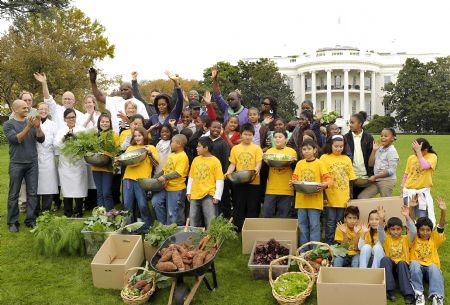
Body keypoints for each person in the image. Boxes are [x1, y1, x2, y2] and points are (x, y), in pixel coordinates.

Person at [4, 100, 45, 232]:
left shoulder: (32, 122)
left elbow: (41, 139)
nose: (27, 109)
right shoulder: (8, 124)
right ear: (14, 109)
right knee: (14, 194)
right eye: (23, 107)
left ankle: (31, 220)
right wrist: (29, 126)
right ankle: (12, 222)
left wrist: (38, 127)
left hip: (32, 163)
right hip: (16, 163)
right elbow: (17, 139)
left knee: (32, 193)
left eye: (27, 107)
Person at [290, 139, 332, 249]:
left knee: (314, 226)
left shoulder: (319, 163)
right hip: (301, 201)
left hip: (315, 201)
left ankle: (315, 250)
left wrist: (324, 185)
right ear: (301, 151)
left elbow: (329, 179)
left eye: (309, 149)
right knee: (302, 226)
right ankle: (304, 250)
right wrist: (292, 183)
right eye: (304, 149)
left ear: (315, 150)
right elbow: (294, 178)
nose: (306, 151)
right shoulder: (299, 164)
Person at [225, 123, 263, 231]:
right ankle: (238, 228)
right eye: (245, 134)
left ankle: (252, 229)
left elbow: (259, 162)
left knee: (252, 206)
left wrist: (257, 169)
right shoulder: (235, 149)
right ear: (241, 135)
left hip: (254, 181)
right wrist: (228, 173)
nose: (247, 137)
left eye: (250, 135)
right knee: (239, 205)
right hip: (239, 181)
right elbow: (233, 164)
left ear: (253, 136)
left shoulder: (257, 148)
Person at [408, 197, 446, 305]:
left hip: (431, 269)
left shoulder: (434, 239)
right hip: (417, 267)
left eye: (428, 230)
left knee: (434, 267)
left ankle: (437, 296)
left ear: (431, 230)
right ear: (418, 230)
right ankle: (419, 293)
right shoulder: (414, 237)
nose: (425, 232)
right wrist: (411, 208)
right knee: (414, 263)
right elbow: (411, 223)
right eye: (422, 230)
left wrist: (443, 211)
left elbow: (441, 226)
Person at [120, 127, 159, 231]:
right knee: (127, 206)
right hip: (128, 179)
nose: (137, 138)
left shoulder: (150, 147)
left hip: (142, 181)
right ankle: (128, 228)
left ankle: (147, 228)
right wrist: (118, 161)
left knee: (142, 205)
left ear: (144, 136)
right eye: (135, 136)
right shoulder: (130, 148)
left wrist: (149, 153)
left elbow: (156, 164)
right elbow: (124, 161)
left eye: (139, 135)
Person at [89, 67, 149, 134]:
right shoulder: (114, 100)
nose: (123, 92)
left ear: (131, 90)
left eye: (126, 89)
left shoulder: (139, 103)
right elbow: (99, 96)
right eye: (121, 90)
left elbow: (145, 121)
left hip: (132, 137)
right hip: (115, 136)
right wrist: (93, 82)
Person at [320, 135, 356, 245]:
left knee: (340, 222)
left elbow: (351, 180)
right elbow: (322, 179)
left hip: (343, 197)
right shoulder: (324, 158)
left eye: (341, 146)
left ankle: (338, 244)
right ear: (330, 145)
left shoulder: (346, 159)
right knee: (330, 222)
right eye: (336, 146)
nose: (338, 148)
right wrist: (324, 197)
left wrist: (350, 195)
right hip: (330, 197)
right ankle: (329, 245)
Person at [377, 206, 416, 304]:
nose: (395, 232)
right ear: (389, 230)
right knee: (384, 259)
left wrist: (407, 217)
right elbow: (380, 231)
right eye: (393, 229)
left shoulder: (406, 239)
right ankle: (390, 291)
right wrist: (381, 219)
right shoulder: (386, 239)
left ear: (402, 229)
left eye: (398, 229)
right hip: (390, 267)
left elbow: (414, 231)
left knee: (402, 263)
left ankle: (408, 294)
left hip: (403, 267)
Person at [54, 108, 87, 218]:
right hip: (65, 164)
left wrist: (75, 138)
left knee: (78, 186)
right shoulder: (60, 131)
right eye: (69, 117)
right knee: (67, 187)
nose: (71, 119)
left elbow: (85, 144)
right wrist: (65, 138)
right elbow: (56, 145)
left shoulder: (82, 129)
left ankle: (78, 210)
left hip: (78, 163)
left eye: (73, 117)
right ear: (64, 119)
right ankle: (68, 211)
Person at [187, 137, 224, 228]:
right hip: (195, 194)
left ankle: (211, 240)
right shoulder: (196, 160)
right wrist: (188, 192)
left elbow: (219, 179)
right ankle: (194, 240)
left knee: (210, 220)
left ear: (206, 148)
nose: (196, 148)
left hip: (209, 195)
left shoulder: (215, 161)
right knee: (193, 218)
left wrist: (217, 196)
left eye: (199, 146)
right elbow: (191, 177)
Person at [153, 134, 189, 225]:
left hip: (176, 189)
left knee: (173, 212)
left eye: (172, 142)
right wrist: (155, 178)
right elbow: (165, 170)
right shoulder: (171, 155)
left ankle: (174, 230)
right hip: (166, 187)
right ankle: (163, 225)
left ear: (179, 144)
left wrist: (164, 177)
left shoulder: (182, 156)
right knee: (156, 202)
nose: (170, 144)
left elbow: (178, 173)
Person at [402, 138, 438, 226]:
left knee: (422, 217)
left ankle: (422, 233)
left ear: (425, 150)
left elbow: (425, 166)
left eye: (416, 150)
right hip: (408, 190)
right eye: (413, 150)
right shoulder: (411, 158)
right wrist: (402, 188)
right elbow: (407, 174)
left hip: (422, 192)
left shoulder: (432, 156)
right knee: (409, 215)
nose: (414, 152)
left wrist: (418, 153)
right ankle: (410, 233)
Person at [262, 130, 297, 218]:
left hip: (287, 188)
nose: (277, 139)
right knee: (267, 212)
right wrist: (264, 161)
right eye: (275, 137)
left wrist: (293, 162)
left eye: (280, 137)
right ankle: (268, 231)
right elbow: (265, 170)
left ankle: (284, 232)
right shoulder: (269, 151)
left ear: (286, 139)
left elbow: (295, 170)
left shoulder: (291, 152)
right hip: (271, 188)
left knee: (285, 215)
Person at [358, 128, 399, 199]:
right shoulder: (379, 149)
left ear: (392, 138)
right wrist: (374, 151)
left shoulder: (392, 151)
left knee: (385, 203)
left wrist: (375, 177)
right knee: (362, 197)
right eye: (381, 136)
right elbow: (370, 164)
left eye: (386, 136)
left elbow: (391, 171)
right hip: (377, 180)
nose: (383, 138)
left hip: (387, 181)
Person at [145, 71, 183, 144]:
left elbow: (180, 100)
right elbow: (143, 130)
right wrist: (150, 129)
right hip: (156, 148)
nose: (161, 107)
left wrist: (176, 84)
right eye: (159, 105)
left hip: (171, 147)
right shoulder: (154, 117)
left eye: (163, 104)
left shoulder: (174, 115)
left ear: (167, 105)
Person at [91, 113, 119, 211]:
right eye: (102, 121)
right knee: (99, 193)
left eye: (107, 122)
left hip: (108, 168)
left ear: (110, 123)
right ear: (99, 123)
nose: (105, 123)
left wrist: (106, 153)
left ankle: (109, 213)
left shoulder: (114, 135)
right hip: (96, 167)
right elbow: (91, 151)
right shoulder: (95, 135)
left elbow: (116, 153)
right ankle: (100, 215)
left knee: (106, 192)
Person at [35, 102, 58, 216]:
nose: (43, 111)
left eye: (45, 109)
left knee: (48, 185)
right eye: (40, 109)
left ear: (48, 111)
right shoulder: (32, 122)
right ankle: (36, 209)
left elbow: (54, 141)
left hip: (48, 157)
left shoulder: (53, 124)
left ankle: (46, 210)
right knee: (35, 185)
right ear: (37, 110)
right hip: (36, 157)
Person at [344, 111, 374, 198]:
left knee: (362, 201)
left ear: (360, 124)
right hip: (351, 177)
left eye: (352, 122)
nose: (350, 124)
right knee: (351, 201)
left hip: (365, 177)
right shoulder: (345, 138)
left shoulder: (368, 138)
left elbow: (371, 156)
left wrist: (371, 173)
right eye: (350, 122)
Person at [208, 120, 231, 218]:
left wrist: (224, 175)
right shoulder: (205, 141)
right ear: (209, 128)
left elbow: (226, 161)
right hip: (207, 177)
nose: (216, 129)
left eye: (218, 128)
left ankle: (224, 220)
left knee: (222, 199)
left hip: (220, 177)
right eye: (214, 127)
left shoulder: (223, 144)